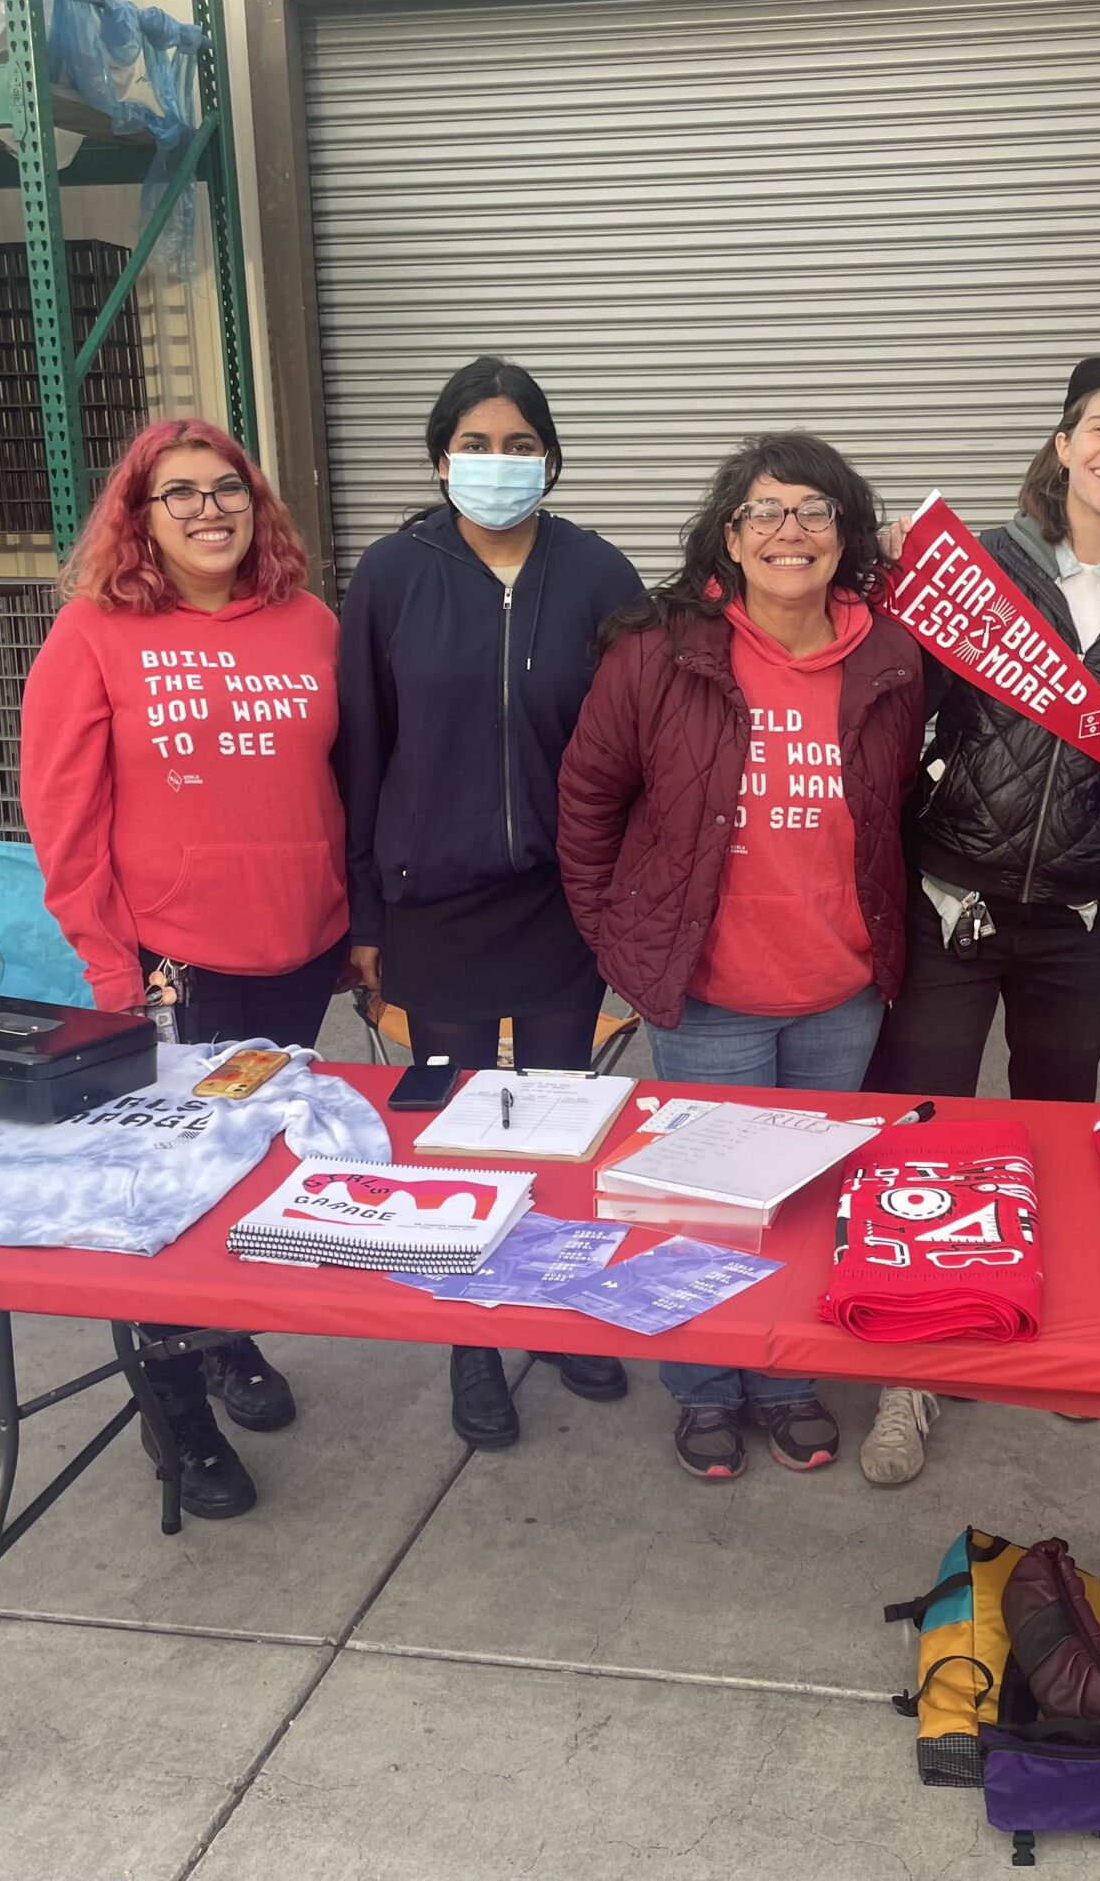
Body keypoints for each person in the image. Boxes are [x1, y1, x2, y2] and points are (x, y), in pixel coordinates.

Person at [857, 352, 1100, 1487]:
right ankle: (908, 1368)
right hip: (950, 901)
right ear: (1061, 445)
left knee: (1060, 1131)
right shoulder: (971, 570)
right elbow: (882, 699)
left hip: (1078, 914)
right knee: (927, 1132)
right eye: (1098, 425)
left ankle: (1053, 1344)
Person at [559, 434, 924, 1482]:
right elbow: (587, 800)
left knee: (807, 1205)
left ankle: (789, 1381)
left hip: (838, 993)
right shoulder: (662, 651)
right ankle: (708, 1389)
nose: (788, 532)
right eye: (762, 512)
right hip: (711, 995)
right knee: (711, 1212)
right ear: (727, 535)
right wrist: (619, 938)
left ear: (846, 532)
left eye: (813, 511)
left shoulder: (891, 656)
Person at [21, 416, 347, 1521]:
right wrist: (112, 965)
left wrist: (351, 924)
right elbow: (63, 820)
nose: (210, 510)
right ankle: (179, 1421)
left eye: (229, 490)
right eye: (181, 493)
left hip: (297, 951)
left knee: (257, 1164)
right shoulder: (94, 634)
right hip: (175, 960)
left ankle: (225, 1334)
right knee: (164, 1188)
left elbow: (342, 781)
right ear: (140, 517)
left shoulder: (310, 624)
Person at [337, 356, 646, 1452]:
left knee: (564, 1115)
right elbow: (362, 749)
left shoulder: (603, 575)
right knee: (463, 1130)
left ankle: (558, 1305)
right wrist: (364, 916)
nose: (498, 465)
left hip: (563, 903)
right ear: (438, 457)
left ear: (552, 459)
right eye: (476, 444)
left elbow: (639, 751)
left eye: (521, 447)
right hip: (435, 902)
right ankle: (474, 1339)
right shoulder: (390, 573)